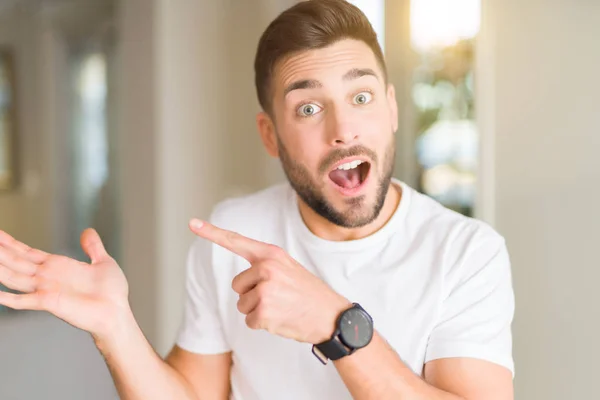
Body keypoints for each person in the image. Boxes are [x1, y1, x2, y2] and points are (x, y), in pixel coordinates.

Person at [0, 1, 515, 399]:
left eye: (360, 97)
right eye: (309, 107)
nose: (343, 130)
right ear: (270, 136)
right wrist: (116, 327)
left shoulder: (466, 253)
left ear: (392, 108)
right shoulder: (236, 233)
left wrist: (337, 327)